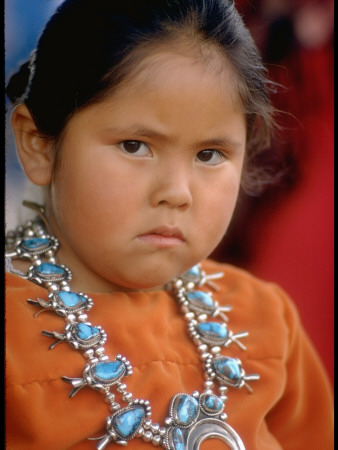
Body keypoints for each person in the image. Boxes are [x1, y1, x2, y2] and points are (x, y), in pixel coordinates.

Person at [5, 0, 333, 449]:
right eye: (135, 146)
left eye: (209, 154)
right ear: (39, 144)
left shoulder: (266, 321)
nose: (177, 191)